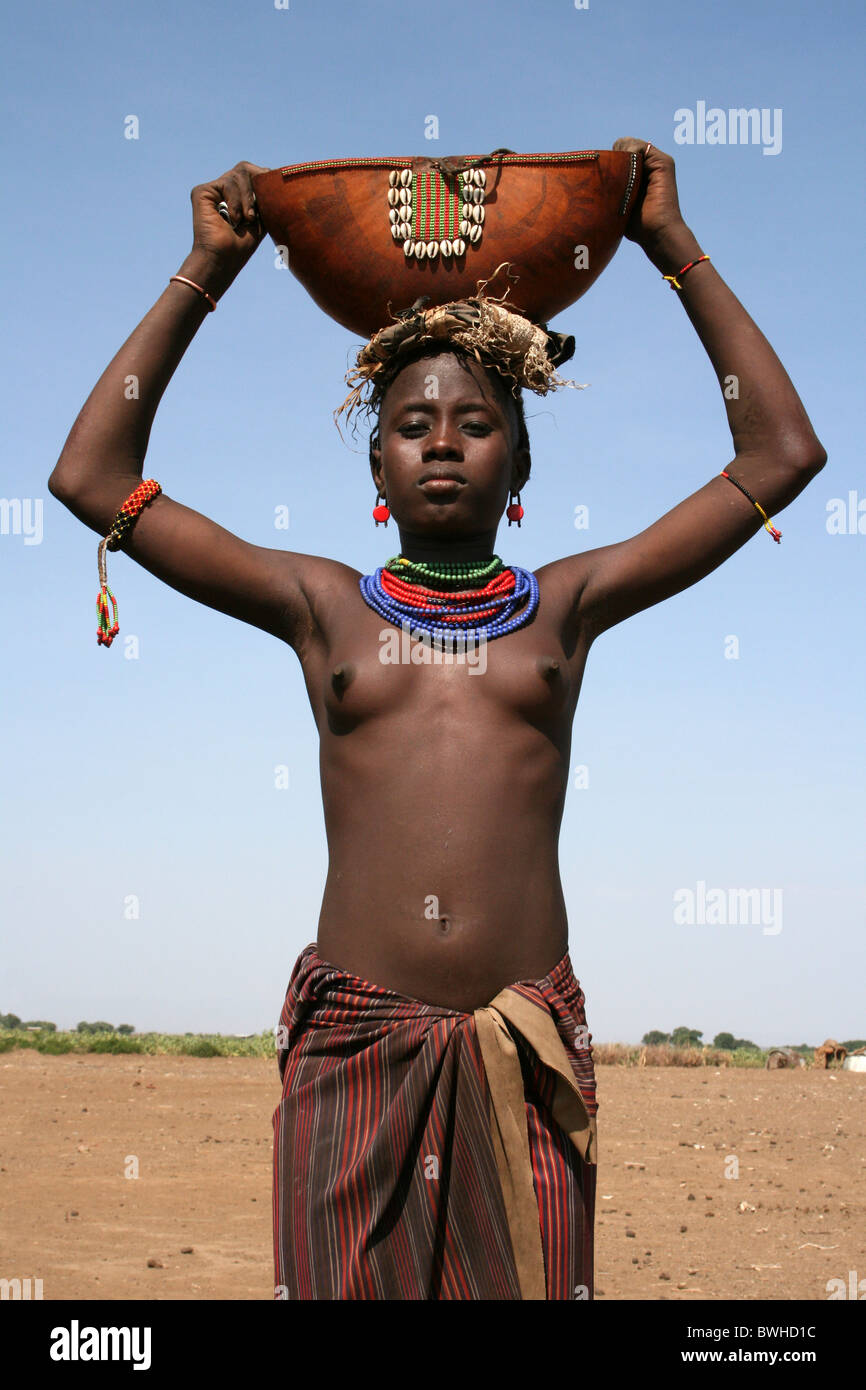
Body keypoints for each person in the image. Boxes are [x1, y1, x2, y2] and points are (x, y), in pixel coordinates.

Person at [48, 139, 827, 1301]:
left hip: (523, 1053)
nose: (445, 439)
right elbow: (91, 480)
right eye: (413, 423)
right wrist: (206, 266)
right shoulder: (324, 610)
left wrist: (669, 243)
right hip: (351, 1048)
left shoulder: (563, 607)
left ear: (520, 466)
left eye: (475, 422)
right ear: (375, 459)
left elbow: (779, 452)